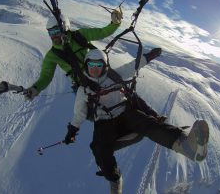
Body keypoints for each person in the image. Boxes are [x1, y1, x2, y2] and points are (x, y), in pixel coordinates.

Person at [63, 49, 209, 194]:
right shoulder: (84, 89)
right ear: (86, 66)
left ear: (105, 66)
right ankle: (114, 180)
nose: (94, 69)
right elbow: (79, 113)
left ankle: (186, 146)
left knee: (149, 124)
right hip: (104, 121)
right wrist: (72, 130)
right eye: (91, 66)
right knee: (99, 149)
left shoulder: (114, 75)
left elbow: (133, 66)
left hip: (125, 112)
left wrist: (148, 57)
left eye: (98, 65)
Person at [24, 9, 123, 100]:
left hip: (99, 71)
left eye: (56, 31)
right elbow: (46, 76)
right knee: (91, 112)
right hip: (83, 84)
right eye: (51, 32)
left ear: (65, 28)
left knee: (121, 92)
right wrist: (36, 88)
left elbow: (102, 32)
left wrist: (114, 23)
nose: (53, 36)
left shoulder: (80, 35)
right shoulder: (52, 55)